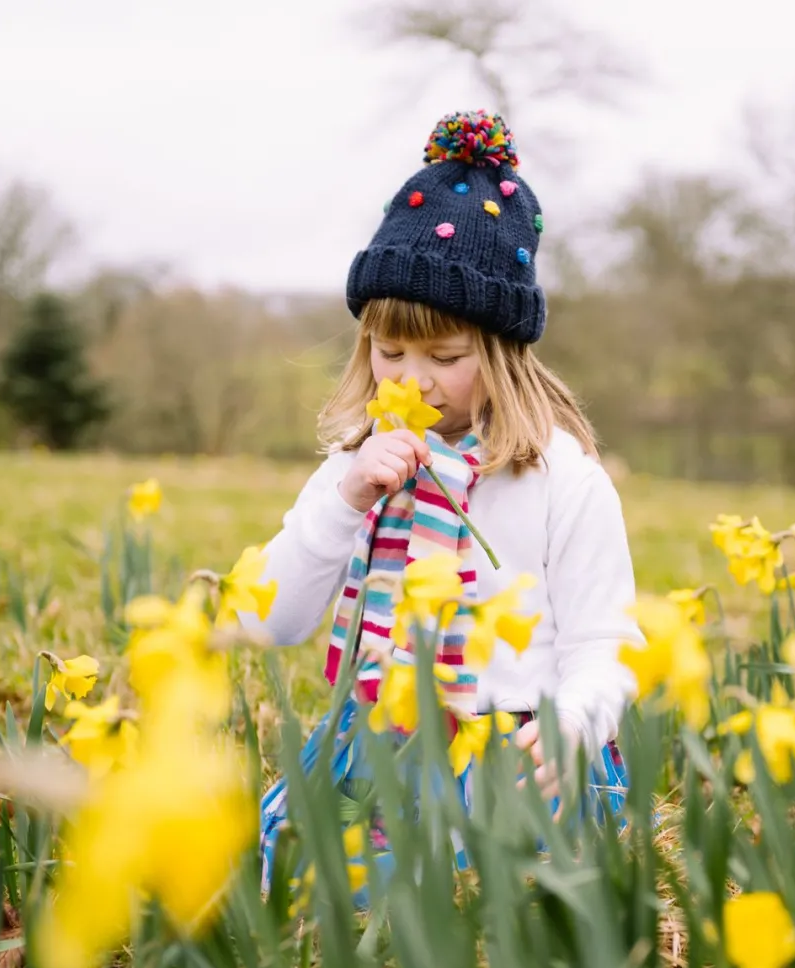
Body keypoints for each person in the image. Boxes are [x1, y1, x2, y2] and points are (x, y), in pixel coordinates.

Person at [240, 109, 640, 891]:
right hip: (382, 740)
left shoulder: (562, 476)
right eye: (389, 351)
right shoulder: (357, 465)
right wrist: (346, 498)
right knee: (303, 869)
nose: (411, 380)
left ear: (500, 351)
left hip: (520, 750)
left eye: (445, 356)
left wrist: (572, 730)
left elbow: (606, 646)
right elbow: (269, 618)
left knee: (479, 883)